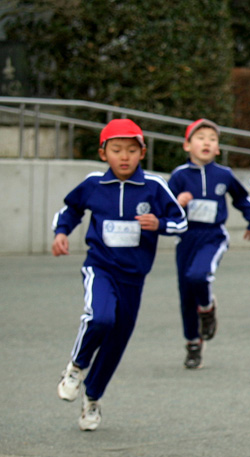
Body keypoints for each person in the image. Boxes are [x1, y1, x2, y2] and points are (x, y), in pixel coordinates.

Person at [53, 118, 187, 430]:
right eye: (116, 150)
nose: (124, 157)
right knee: (101, 317)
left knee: (116, 341)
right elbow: (71, 209)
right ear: (104, 154)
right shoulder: (92, 185)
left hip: (134, 277)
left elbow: (180, 221)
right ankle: (76, 366)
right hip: (99, 266)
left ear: (142, 152)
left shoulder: (154, 187)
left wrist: (160, 225)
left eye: (131, 150)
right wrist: (61, 232)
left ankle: (93, 398)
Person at [167, 118, 250, 369]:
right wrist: (179, 202)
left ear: (218, 148)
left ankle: (207, 309)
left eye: (212, 139)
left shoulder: (224, 175)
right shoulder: (179, 176)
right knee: (186, 293)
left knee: (199, 275)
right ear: (187, 146)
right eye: (200, 138)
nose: (206, 142)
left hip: (213, 236)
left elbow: (242, 198)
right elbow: (164, 209)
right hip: (186, 239)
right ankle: (193, 344)